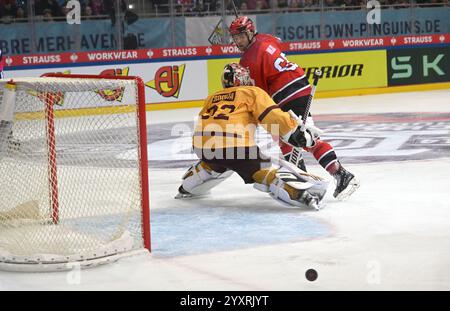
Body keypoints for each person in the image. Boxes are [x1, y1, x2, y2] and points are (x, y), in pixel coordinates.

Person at [228, 16, 359, 200]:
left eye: (241, 36)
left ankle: (341, 175)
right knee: (287, 140)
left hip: (288, 94)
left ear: (250, 32)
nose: (237, 41)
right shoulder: (266, 39)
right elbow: (277, 42)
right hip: (297, 89)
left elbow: (259, 95)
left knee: (304, 138)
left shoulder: (248, 60)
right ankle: (302, 178)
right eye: (235, 37)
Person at [175, 63, 328, 210]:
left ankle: (187, 186)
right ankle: (302, 195)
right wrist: (294, 131)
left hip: (202, 146)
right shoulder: (251, 91)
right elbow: (272, 116)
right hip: (234, 146)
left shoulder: (212, 96)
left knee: (217, 161)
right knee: (262, 169)